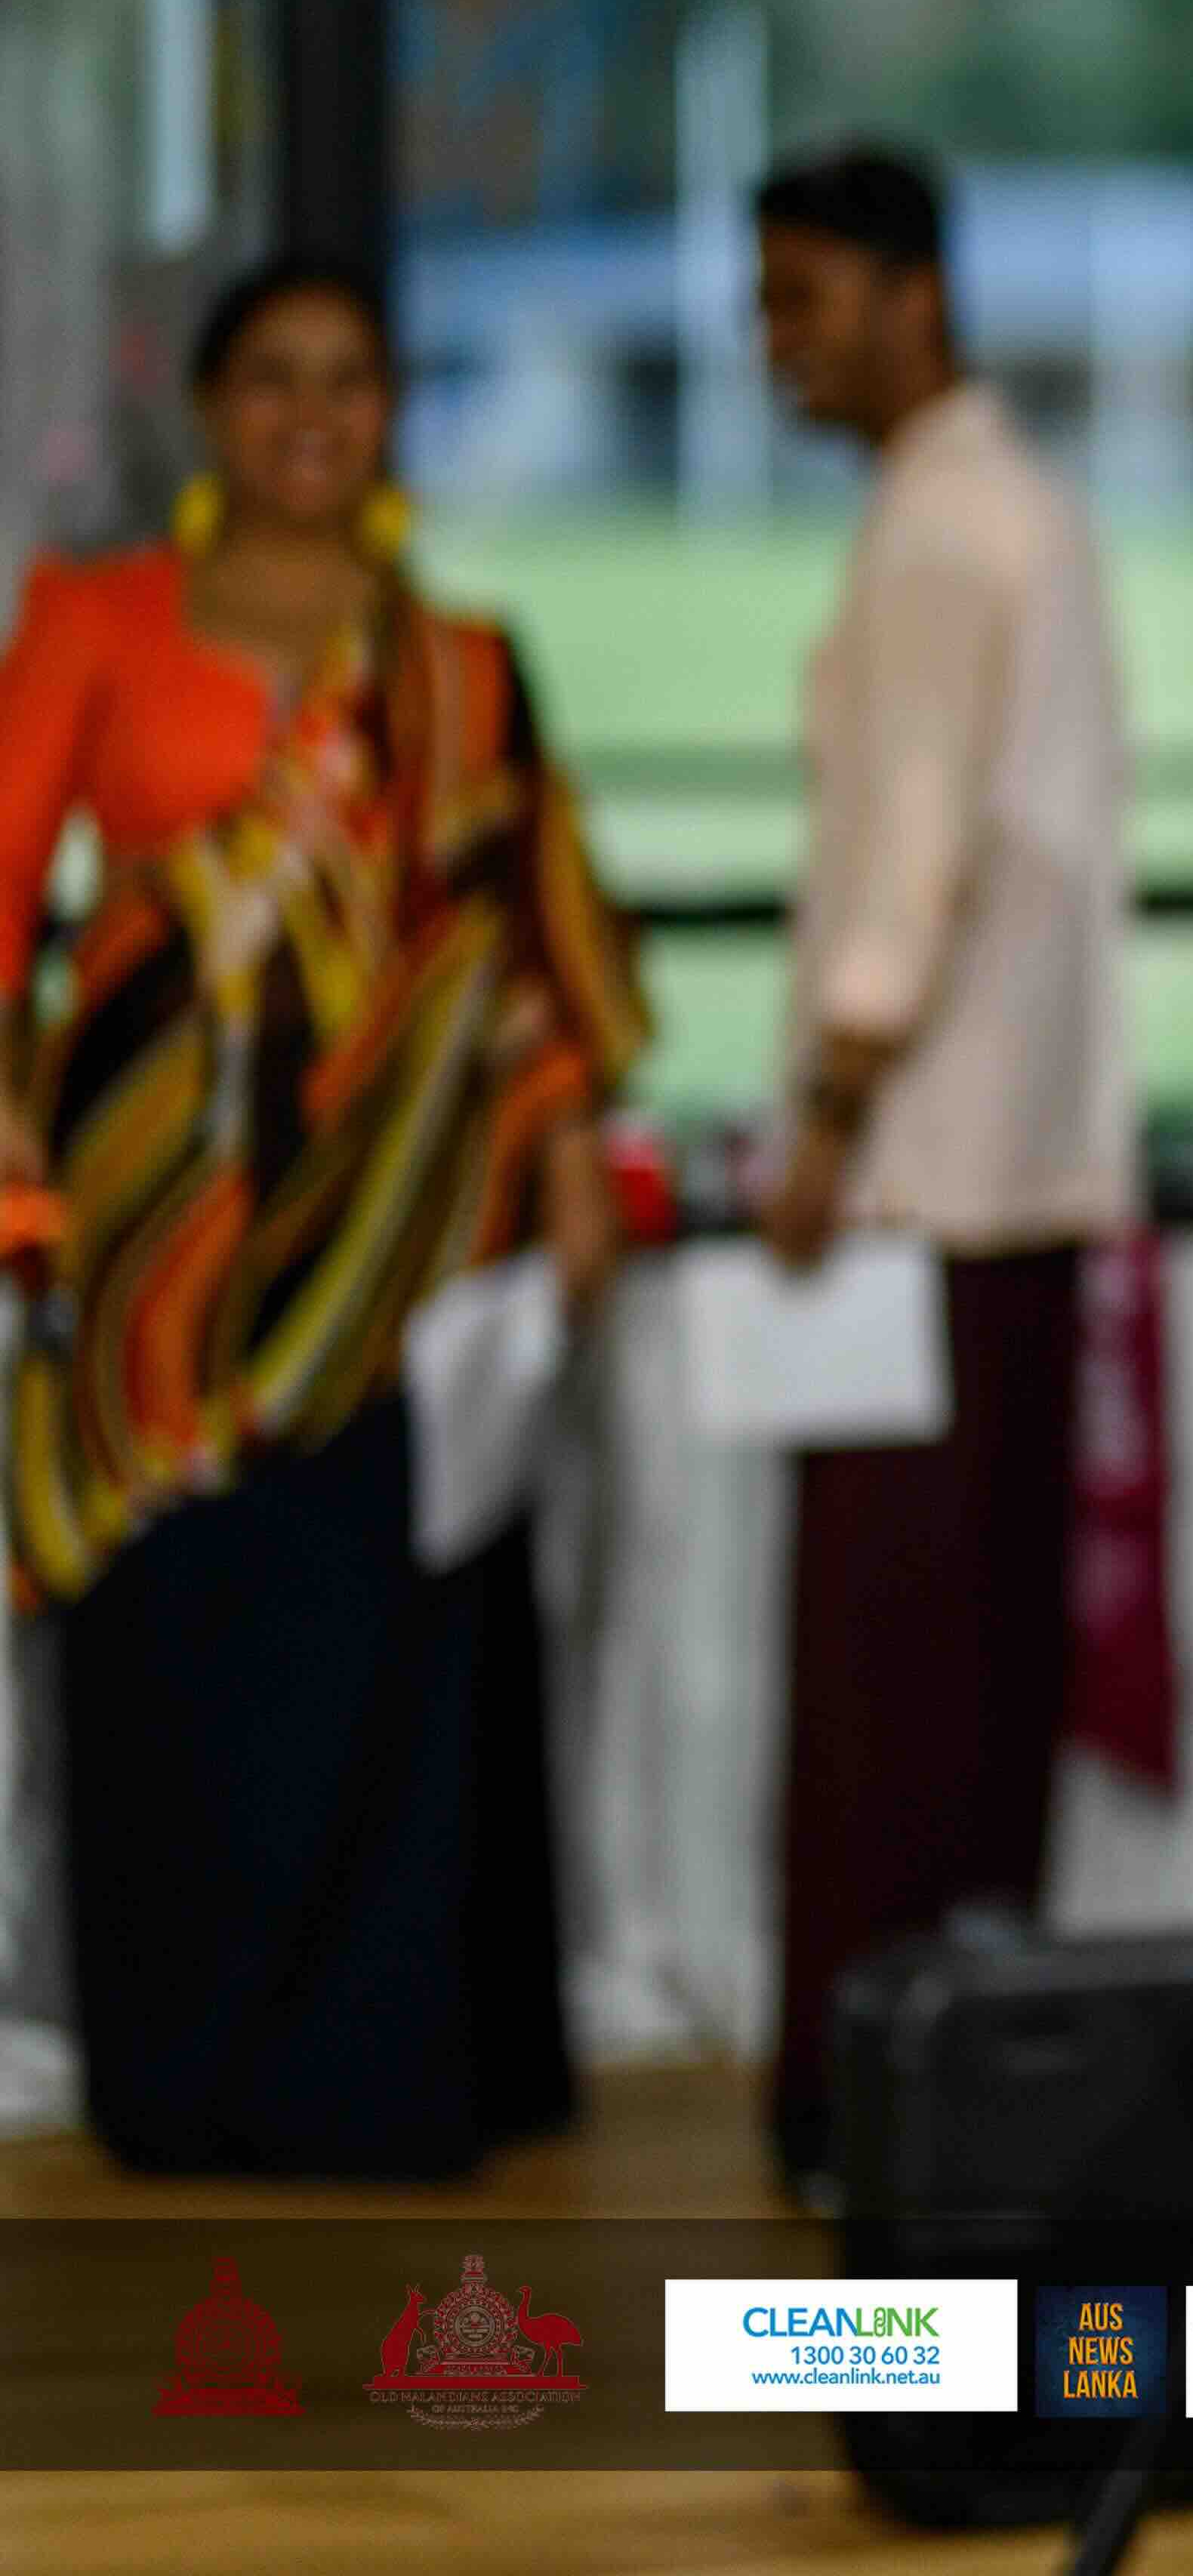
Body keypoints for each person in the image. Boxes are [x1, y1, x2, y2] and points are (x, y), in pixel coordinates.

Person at [0, 253, 646, 2175]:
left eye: (350, 381)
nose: (312, 413)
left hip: (403, 1259)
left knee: (387, 1657)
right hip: (153, 1270)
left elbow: (527, 960)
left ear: (386, 414)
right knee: (177, 1668)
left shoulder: (461, 667)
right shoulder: (95, 623)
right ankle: (185, 2077)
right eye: (274, 377)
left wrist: (558, 1177)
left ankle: (379, 2077)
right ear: (211, 409)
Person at [748, 144, 1139, 2183]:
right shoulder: (1030, 510)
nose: (774, 348)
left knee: (879, 1704)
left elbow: (906, 868)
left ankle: (859, 2090)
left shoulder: (935, 527)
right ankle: (966, 2084)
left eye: (804, 299)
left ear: (918, 297)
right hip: (1024, 1189)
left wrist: (821, 1113)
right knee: (977, 1692)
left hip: (909, 1187)